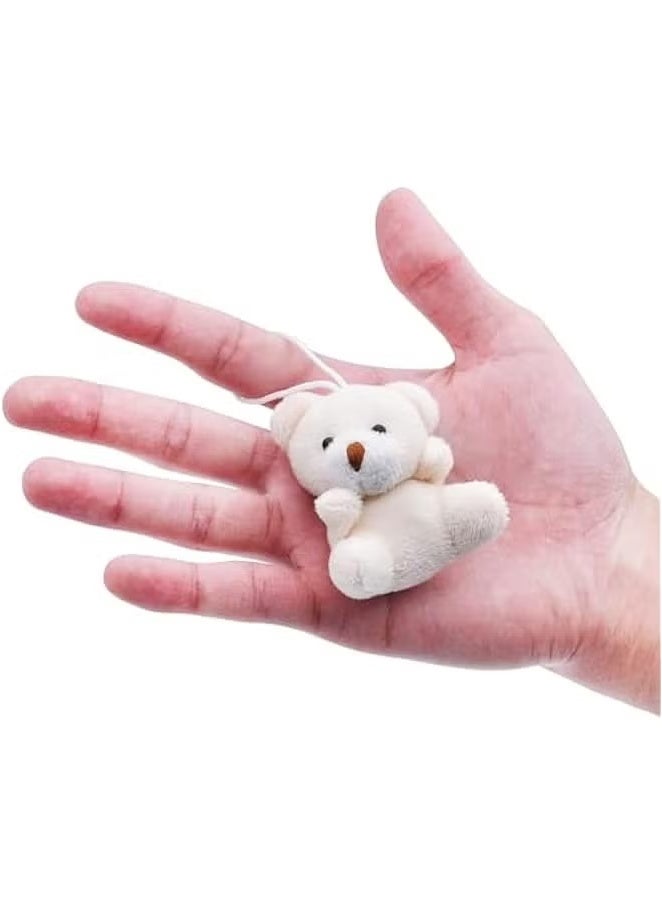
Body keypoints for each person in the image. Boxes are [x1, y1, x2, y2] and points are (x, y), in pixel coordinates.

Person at [3, 189, 659, 712]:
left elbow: (430, 463)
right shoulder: (341, 498)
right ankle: (373, 565)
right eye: (328, 443)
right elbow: (342, 514)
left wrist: (609, 565)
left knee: (464, 506)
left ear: (413, 418)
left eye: (377, 433)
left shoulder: (423, 462)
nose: (356, 451)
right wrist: (607, 593)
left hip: (435, 516)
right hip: (377, 544)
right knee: (359, 558)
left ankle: (469, 518)